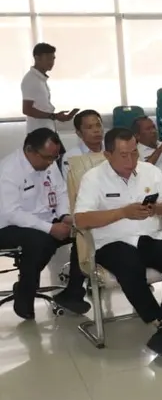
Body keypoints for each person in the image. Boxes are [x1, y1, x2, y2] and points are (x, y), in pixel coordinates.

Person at [73, 128, 162, 358]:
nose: (131, 160)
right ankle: (160, 322)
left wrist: (154, 208)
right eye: (123, 155)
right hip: (111, 241)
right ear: (108, 155)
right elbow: (81, 219)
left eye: (134, 153)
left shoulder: (150, 171)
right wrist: (123, 212)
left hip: (150, 235)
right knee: (130, 265)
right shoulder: (93, 178)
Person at [0, 128, 90, 319]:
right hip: (7, 226)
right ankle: (25, 293)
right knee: (41, 241)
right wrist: (50, 228)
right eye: (47, 158)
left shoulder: (48, 163)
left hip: (45, 219)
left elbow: (60, 191)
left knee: (83, 233)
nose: (50, 163)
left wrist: (64, 215)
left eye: (53, 158)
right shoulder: (8, 170)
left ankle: (72, 293)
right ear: (30, 150)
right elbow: (11, 213)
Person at [21, 42, 76, 135]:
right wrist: (53, 116)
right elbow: (27, 109)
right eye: (48, 58)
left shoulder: (40, 79)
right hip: (38, 132)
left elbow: (43, 107)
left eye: (53, 58)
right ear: (37, 58)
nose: (51, 62)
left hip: (48, 129)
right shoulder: (31, 79)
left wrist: (56, 116)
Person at [133, 115, 162, 186]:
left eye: (154, 127)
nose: (154, 131)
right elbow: (142, 172)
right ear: (137, 136)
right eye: (148, 129)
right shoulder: (135, 152)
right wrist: (159, 150)